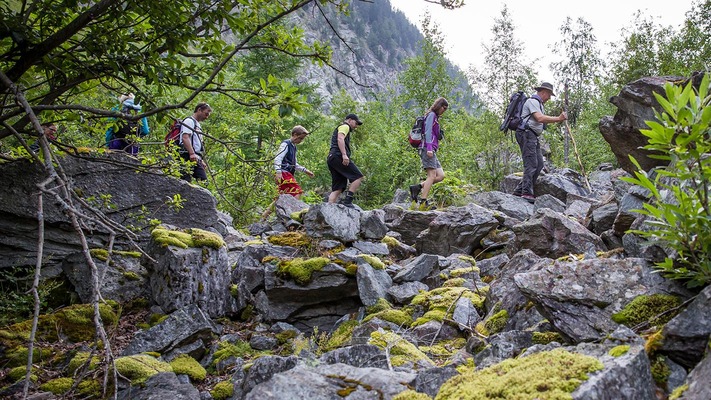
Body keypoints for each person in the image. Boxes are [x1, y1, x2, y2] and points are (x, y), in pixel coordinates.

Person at [512, 82, 567, 203]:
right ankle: (526, 193)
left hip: (532, 136)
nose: (549, 98)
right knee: (531, 163)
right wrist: (558, 118)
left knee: (539, 164)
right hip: (526, 134)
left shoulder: (539, 104)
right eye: (549, 95)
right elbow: (540, 118)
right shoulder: (533, 102)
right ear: (543, 92)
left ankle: (519, 190)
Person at [409, 97, 449, 210]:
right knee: (431, 176)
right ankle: (423, 202)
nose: (444, 111)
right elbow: (427, 131)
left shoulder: (435, 117)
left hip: (432, 149)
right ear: (439, 106)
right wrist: (430, 148)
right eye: (444, 108)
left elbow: (435, 133)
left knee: (441, 176)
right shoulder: (431, 115)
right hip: (427, 148)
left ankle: (417, 187)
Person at [327, 113, 364, 208]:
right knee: (358, 176)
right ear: (350, 120)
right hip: (338, 156)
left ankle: (328, 209)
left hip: (332, 158)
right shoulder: (345, 126)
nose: (356, 126)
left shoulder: (342, 127)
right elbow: (340, 138)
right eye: (356, 123)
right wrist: (344, 155)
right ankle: (348, 200)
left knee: (338, 188)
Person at [274, 125, 314, 199]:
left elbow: (294, 164)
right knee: (297, 192)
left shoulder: (294, 147)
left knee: (280, 196)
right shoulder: (286, 144)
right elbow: (278, 158)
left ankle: (269, 210)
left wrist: (305, 170)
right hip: (284, 172)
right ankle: (293, 210)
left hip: (286, 172)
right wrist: (278, 172)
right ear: (295, 135)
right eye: (300, 138)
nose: (301, 141)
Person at [179, 102, 212, 182]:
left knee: (203, 180)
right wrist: (191, 153)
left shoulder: (197, 125)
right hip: (186, 155)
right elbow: (185, 137)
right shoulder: (189, 121)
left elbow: (197, 143)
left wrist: (200, 159)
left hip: (195, 157)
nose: (206, 117)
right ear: (199, 110)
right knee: (185, 180)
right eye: (206, 114)